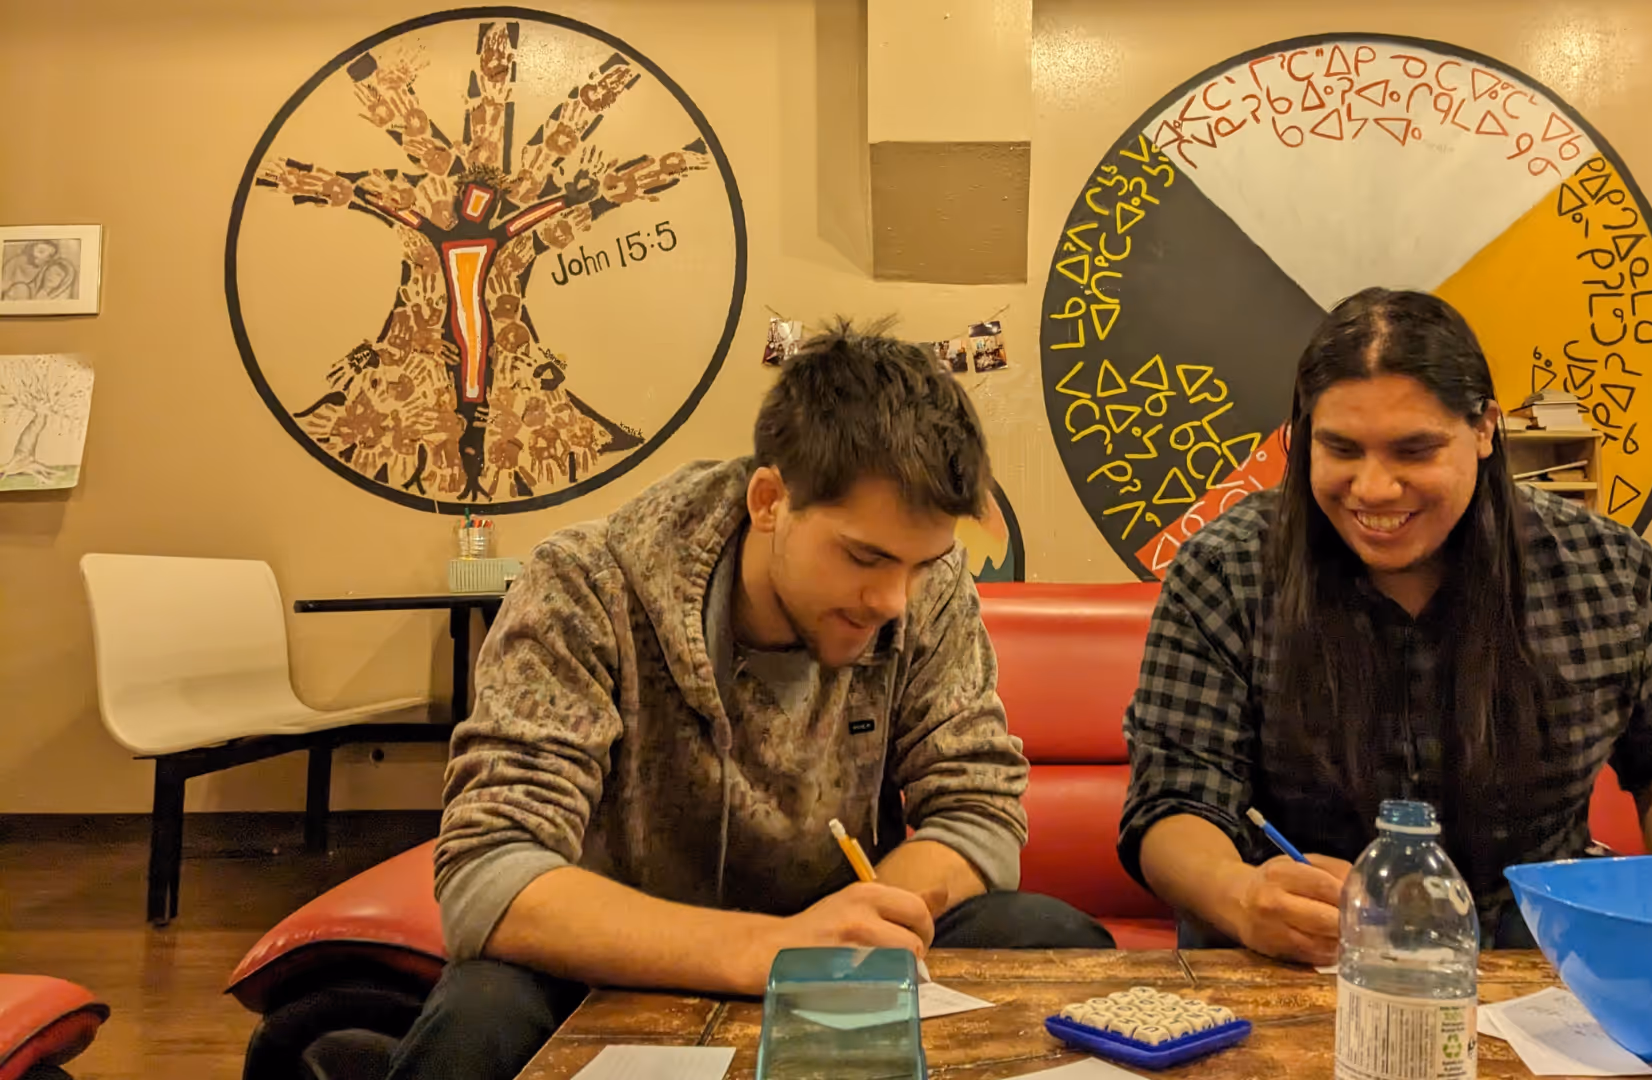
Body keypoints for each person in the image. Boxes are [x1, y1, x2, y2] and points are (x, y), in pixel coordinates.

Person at [388, 322, 1113, 1080]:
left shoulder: (928, 592)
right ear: (769, 500)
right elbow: (490, 872)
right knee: (478, 1019)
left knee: (1050, 937)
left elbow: (978, 811)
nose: (894, 600)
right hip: (621, 959)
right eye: (863, 556)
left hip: (838, 962)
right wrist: (770, 950)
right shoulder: (586, 586)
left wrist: (853, 928)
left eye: (920, 565)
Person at [1119, 288, 1652, 966]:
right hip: (1298, 952)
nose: (1374, 489)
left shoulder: (1610, 570)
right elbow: (1173, 801)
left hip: (1535, 942)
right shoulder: (1224, 570)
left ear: (1485, 430)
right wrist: (1240, 896)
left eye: (1414, 450)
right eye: (1340, 449)